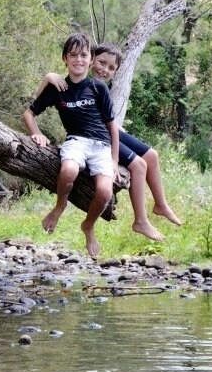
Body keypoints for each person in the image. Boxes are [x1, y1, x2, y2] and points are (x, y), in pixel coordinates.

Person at [34, 42, 182, 241]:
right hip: (94, 136)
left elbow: (107, 115)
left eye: (112, 68)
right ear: (92, 59)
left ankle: (161, 204)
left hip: (107, 131)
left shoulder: (98, 84)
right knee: (138, 165)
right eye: (102, 63)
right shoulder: (71, 79)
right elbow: (38, 101)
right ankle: (141, 220)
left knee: (152, 156)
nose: (105, 69)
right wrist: (48, 77)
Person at [23, 33, 119, 260]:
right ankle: (59, 206)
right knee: (68, 170)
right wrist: (36, 133)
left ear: (91, 58)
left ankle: (88, 225)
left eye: (84, 55)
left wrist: (114, 160)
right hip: (76, 141)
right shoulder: (59, 87)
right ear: (65, 58)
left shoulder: (98, 87)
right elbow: (29, 113)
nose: (79, 59)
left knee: (105, 192)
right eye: (73, 55)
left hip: (101, 146)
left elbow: (112, 127)